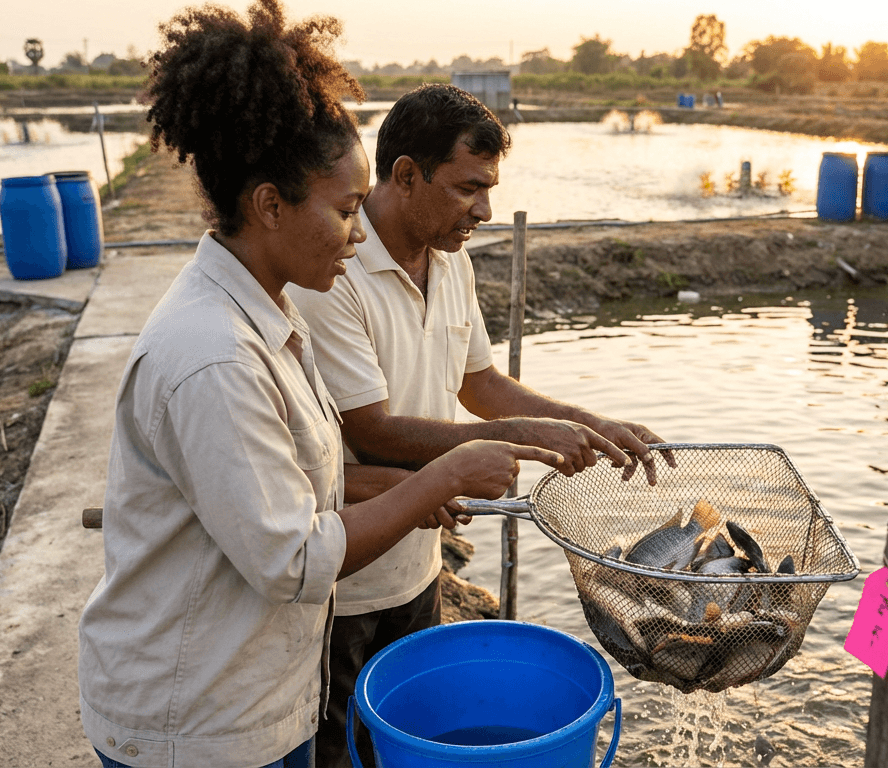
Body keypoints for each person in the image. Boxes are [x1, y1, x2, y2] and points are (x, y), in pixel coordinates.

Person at [76, 6, 561, 768]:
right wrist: (443, 472)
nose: (359, 232)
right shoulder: (215, 356)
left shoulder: (266, 315)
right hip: (199, 722)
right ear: (269, 205)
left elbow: (310, 487)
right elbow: (296, 560)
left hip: (262, 694)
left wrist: (410, 490)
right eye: (343, 211)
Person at [286, 84, 671, 768]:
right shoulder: (334, 269)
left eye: (490, 189)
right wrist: (513, 440)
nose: (486, 211)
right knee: (342, 749)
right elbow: (371, 428)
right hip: (346, 576)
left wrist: (588, 422)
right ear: (406, 175)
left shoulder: (451, 259)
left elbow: (479, 382)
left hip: (419, 562)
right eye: (469, 188)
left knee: (417, 739)